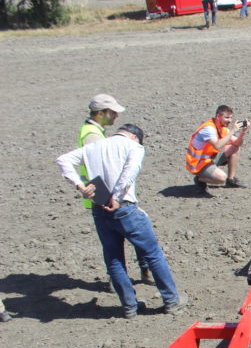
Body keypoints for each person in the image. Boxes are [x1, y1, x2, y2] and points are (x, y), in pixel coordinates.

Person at [56, 125, 187, 319]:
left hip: (99, 208)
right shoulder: (133, 147)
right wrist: (116, 196)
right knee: (153, 254)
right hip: (124, 208)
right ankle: (172, 301)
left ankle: (129, 307)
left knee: (114, 259)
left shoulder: (93, 147)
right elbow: (130, 171)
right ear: (135, 137)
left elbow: (62, 159)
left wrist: (80, 185)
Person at [79, 94, 151, 285]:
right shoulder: (92, 135)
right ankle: (122, 281)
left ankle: (134, 276)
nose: (116, 117)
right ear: (101, 113)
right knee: (123, 240)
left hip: (107, 198)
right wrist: (112, 202)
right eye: (113, 112)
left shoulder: (96, 132)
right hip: (106, 200)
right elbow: (98, 171)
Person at [186, 105, 250, 190]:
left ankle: (231, 180)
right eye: (226, 117)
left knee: (235, 148)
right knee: (221, 178)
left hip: (209, 157)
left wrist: (242, 132)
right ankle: (199, 179)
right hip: (198, 163)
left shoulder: (222, 128)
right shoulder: (209, 128)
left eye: (231, 118)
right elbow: (217, 145)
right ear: (218, 116)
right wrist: (233, 131)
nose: (229, 121)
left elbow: (238, 143)